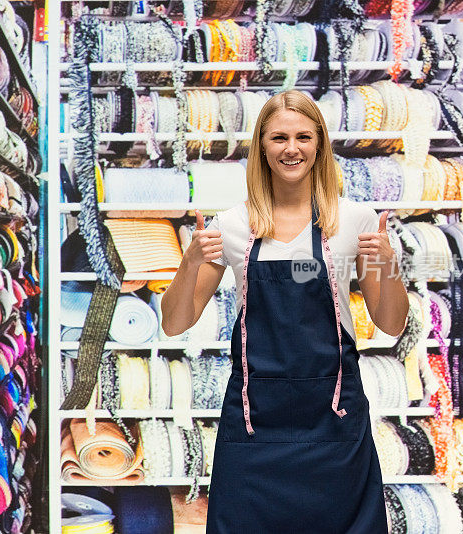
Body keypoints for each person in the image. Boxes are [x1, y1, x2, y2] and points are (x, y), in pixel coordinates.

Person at [161, 90, 409, 533]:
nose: (291, 148)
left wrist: (388, 267)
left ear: (320, 145)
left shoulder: (356, 220)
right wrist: (191, 262)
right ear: (261, 146)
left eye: (303, 137)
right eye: (278, 137)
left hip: (333, 421)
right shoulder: (232, 225)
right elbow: (175, 321)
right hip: (256, 424)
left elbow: (391, 324)